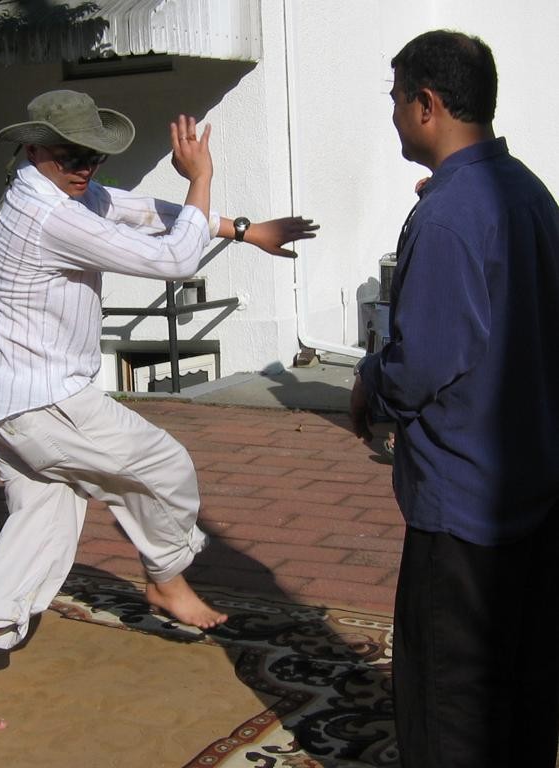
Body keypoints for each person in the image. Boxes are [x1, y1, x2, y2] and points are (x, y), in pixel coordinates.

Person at [0, 89, 319, 729]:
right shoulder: (50, 214)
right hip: (42, 400)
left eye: (93, 157)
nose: (84, 167)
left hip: (4, 397)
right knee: (163, 464)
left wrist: (244, 230)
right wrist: (201, 177)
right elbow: (174, 260)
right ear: (34, 148)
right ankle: (166, 576)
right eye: (70, 156)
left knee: (42, 525)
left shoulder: (54, 190)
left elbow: (143, 212)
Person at [350, 31, 559, 768]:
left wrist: (370, 380)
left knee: (450, 706)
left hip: (463, 509)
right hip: (532, 491)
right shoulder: (528, 193)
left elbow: (425, 362)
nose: (393, 114)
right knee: (524, 694)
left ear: (427, 104)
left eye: (396, 99)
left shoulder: (449, 214)